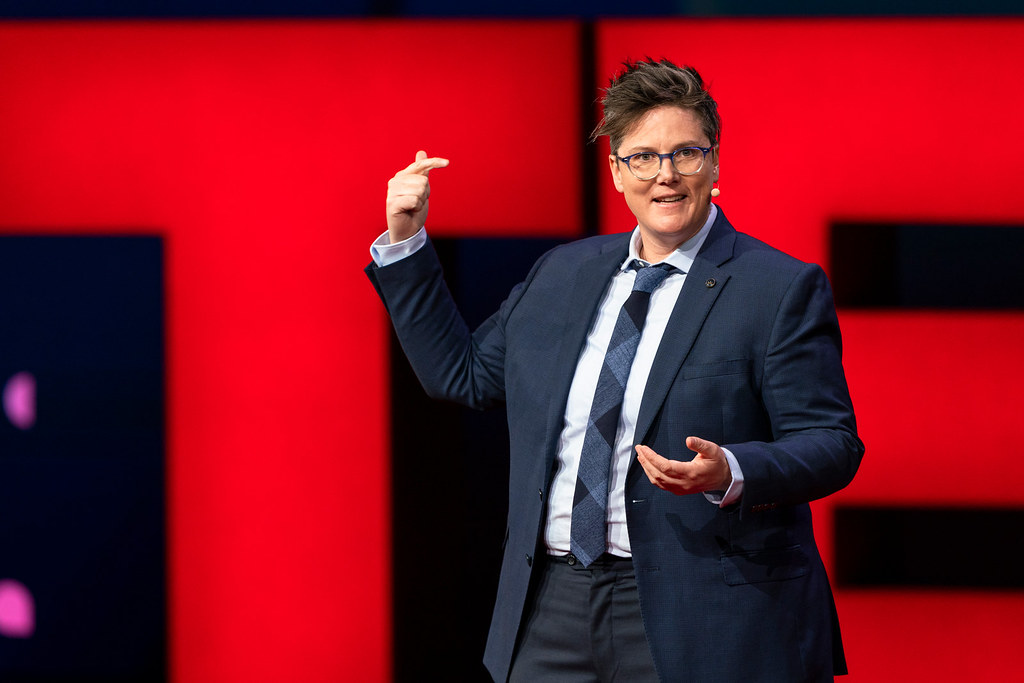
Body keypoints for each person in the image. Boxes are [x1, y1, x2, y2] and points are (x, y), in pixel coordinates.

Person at [365, 58, 863, 682]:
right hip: (551, 608)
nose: (666, 174)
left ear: (714, 163)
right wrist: (406, 242)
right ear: (616, 172)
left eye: (686, 153)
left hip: (703, 612)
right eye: (644, 157)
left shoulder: (777, 287)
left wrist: (732, 470)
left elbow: (832, 443)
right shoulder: (562, 274)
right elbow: (461, 375)